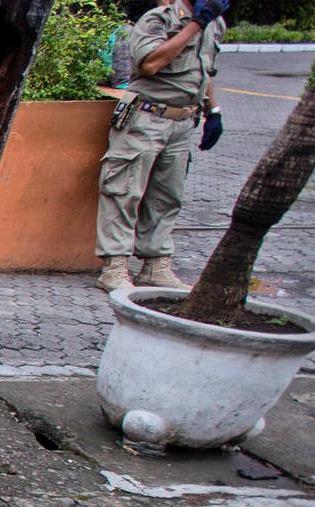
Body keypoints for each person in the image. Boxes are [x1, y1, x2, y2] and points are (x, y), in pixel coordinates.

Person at [94, 0, 225, 292]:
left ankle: (155, 264)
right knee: (123, 190)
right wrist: (195, 25)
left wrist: (212, 111)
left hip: (182, 121)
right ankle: (114, 267)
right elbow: (150, 63)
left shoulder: (214, 24)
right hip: (146, 117)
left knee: (168, 195)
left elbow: (206, 70)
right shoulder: (159, 20)